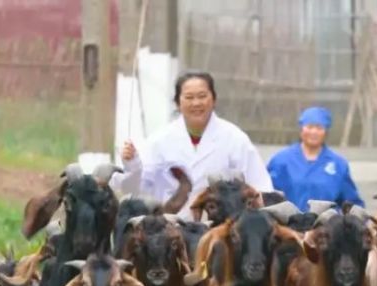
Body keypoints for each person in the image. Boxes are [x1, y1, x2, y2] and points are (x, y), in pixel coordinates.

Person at [112, 70, 273, 216]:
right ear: (178, 102)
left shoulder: (236, 140)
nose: (196, 103)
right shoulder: (159, 141)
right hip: (170, 232)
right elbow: (134, 189)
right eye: (189, 97)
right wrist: (132, 164)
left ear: (214, 99)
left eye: (202, 96)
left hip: (220, 232)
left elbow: (260, 186)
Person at [265, 106, 364, 212]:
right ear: (301, 129)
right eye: (310, 127)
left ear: (326, 131)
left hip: (327, 226)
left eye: (319, 127)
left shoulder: (338, 165)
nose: (314, 132)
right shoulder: (280, 161)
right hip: (289, 225)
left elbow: (352, 205)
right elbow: (267, 197)